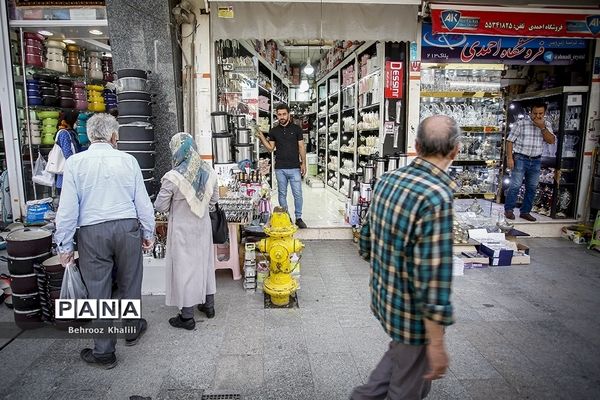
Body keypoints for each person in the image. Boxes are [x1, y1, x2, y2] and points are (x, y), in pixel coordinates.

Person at [352, 115, 460, 400]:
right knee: (407, 390)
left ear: (416, 145)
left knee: (396, 366)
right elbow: (433, 278)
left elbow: (365, 242)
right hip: (413, 316)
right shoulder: (437, 196)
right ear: (455, 151)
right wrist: (436, 342)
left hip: (385, 299)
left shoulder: (388, 179)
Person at [54, 113, 155, 369]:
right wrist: (148, 233)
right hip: (127, 228)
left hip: (92, 232)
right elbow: (142, 202)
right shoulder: (128, 160)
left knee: (98, 291)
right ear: (113, 136)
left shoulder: (76, 163)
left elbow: (67, 208)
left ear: (89, 136)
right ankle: (131, 330)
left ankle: (104, 352)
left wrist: (64, 245)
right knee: (130, 281)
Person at [154, 132, 219, 330]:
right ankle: (209, 306)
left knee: (185, 270)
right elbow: (214, 201)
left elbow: (161, 206)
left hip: (182, 229)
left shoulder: (172, 177)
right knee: (205, 264)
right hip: (203, 226)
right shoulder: (209, 172)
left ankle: (187, 317)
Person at [255, 103, 307, 229]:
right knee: (281, 194)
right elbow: (271, 148)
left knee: (298, 194)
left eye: (284, 114)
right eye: (279, 115)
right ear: (276, 115)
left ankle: (299, 218)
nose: (282, 117)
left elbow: (301, 146)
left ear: (288, 114)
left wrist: (303, 163)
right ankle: (286, 216)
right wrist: (262, 136)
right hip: (280, 168)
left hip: (294, 167)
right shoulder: (274, 131)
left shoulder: (296, 129)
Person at [504, 102, 556, 222]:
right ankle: (509, 210)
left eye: (540, 113)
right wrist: (510, 158)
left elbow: (551, 140)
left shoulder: (546, 124)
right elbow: (509, 141)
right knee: (515, 185)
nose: (537, 116)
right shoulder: (521, 124)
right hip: (521, 158)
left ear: (545, 113)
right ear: (530, 112)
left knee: (532, 187)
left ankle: (525, 211)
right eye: (535, 113)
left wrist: (542, 128)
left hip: (536, 159)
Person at [55, 110, 82, 193]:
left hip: (72, 172)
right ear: (71, 121)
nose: (77, 122)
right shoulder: (64, 133)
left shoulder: (71, 132)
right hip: (66, 174)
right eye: (76, 120)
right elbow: (67, 154)